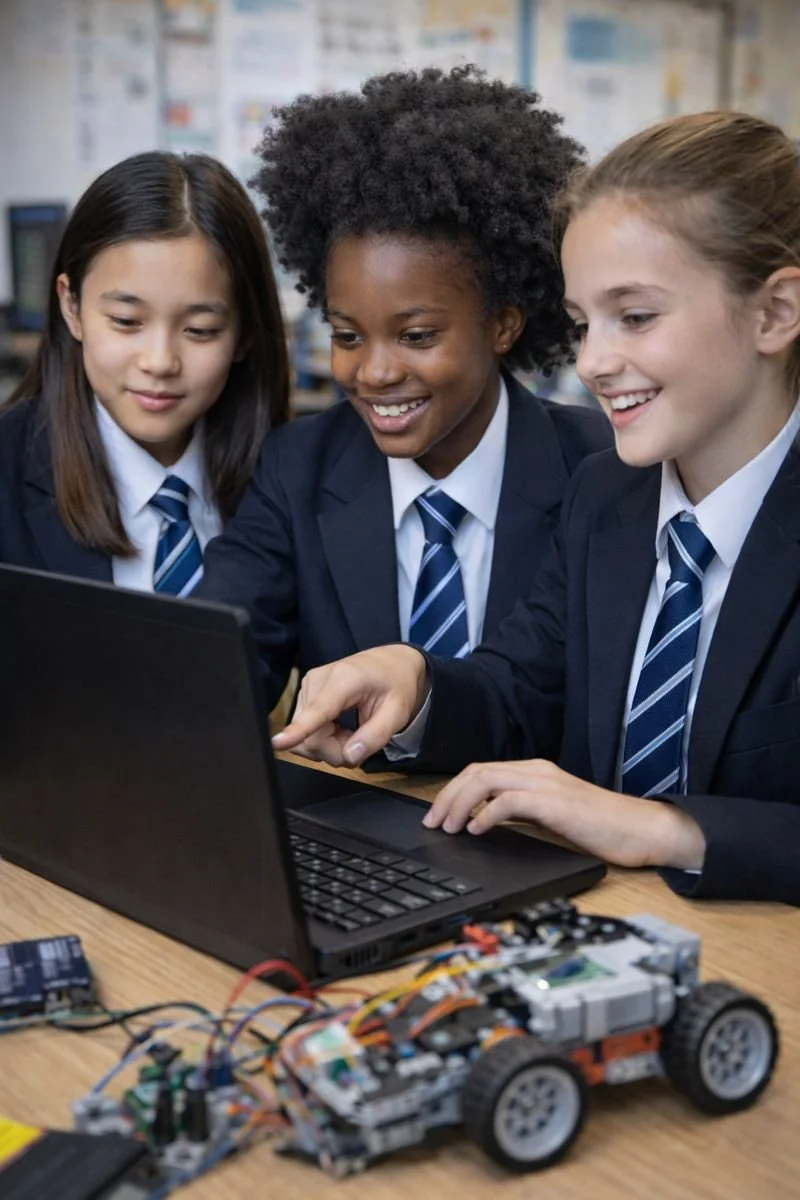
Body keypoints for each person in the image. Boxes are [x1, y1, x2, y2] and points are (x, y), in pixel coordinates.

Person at [274, 110, 800, 906]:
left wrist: (668, 828)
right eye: (584, 323)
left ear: (774, 313)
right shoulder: (607, 496)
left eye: (636, 316)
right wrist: (415, 682)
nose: (592, 362)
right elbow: (519, 690)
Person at [196, 66, 611, 709]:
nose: (375, 372)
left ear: (502, 324)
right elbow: (219, 656)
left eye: (416, 336)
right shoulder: (296, 469)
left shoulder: (601, 472)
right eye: (347, 335)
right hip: (353, 809)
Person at [0, 151, 289, 593]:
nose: (159, 362)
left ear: (245, 332)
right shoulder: (9, 471)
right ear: (71, 306)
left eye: (200, 330)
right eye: (126, 321)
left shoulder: (288, 479)